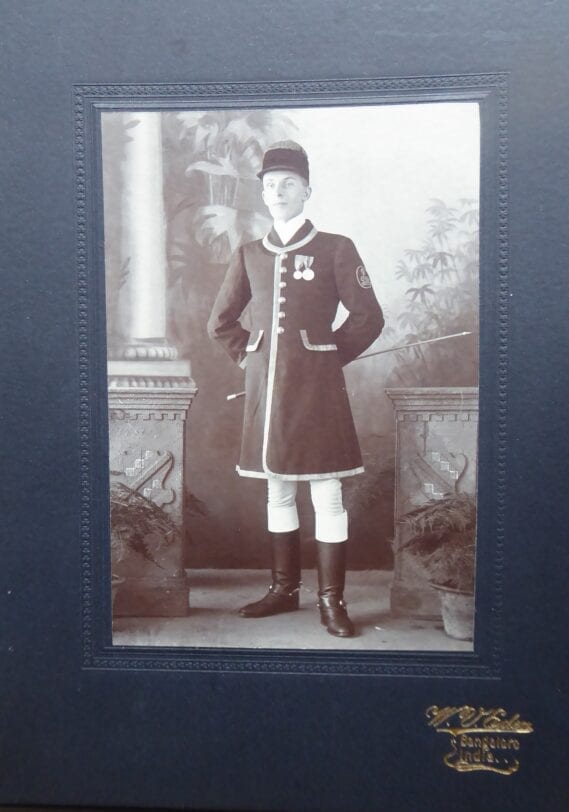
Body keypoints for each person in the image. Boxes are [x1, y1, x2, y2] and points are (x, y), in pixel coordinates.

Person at [207, 140, 384, 637]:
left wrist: (325, 356)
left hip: (319, 395)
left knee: (327, 493)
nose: (279, 192)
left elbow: (369, 317)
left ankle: (332, 600)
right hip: (268, 395)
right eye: (271, 185)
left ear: (307, 190)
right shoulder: (249, 254)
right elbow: (220, 324)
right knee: (278, 489)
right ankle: (284, 590)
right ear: (263, 194)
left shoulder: (336, 248)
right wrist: (252, 358)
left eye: (289, 184)